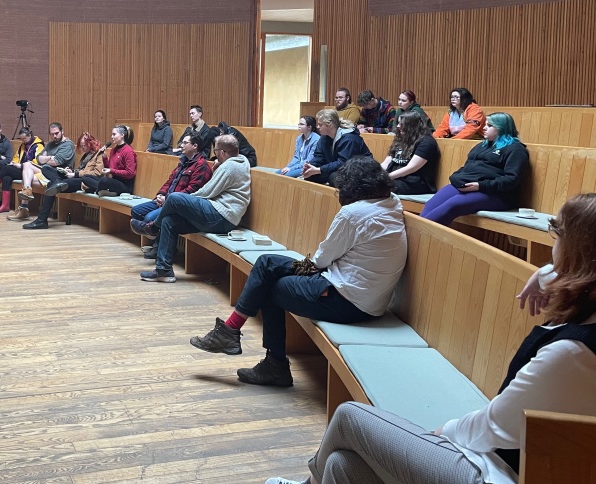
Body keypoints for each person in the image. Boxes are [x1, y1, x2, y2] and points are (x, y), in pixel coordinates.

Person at [264, 192, 596, 484]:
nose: (551, 241)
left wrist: (441, 433)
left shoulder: (573, 353)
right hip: (495, 459)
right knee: (342, 466)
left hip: (495, 473)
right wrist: (546, 272)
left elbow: (494, 428)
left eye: (556, 232)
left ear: (578, 251)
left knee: (351, 417)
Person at [190, 157, 406, 387]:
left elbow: (322, 260)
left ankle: (270, 362)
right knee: (266, 264)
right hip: (367, 300)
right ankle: (232, 334)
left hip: (345, 299)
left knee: (268, 284)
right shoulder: (392, 203)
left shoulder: (354, 214)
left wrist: (306, 268)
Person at [132, 134, 250, 283]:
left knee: (175, 198)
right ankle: (164, 271)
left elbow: (206, 192)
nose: (215, 155)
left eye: (216, 151)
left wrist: (184, 201)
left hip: (222, 216)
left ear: (222, 152)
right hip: (218, 213)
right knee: (169, 221)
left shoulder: (230, 166)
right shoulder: (241, 160)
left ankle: (154, 228)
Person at [421, 113, 529, 226]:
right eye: (485, 124)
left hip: (496, 194)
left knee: (453, 205)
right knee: (431, 204)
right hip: (467, 186)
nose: (484, 128)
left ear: (501, 128)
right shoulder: (482, 146)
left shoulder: (516, 149)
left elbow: (511, 179)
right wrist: (456, 178)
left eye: (490, 125)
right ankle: (421, 234)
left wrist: (480, 186)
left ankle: (422, 235)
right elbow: (467, 168)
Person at [129, 134, 212, 258]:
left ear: (195, 146)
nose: (181, 145)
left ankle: (159, 248)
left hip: (177, 205)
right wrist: (160, 195)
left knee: (149, 217)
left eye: (185, 143)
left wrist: (167, 199)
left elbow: (192, 191)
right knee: (136, 211)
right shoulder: (183, 162)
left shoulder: (202, 166)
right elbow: (169, 181)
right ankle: (157, 241)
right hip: (166, 199)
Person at [22, 132, 105, 230]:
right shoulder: (85, 155)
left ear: (90, 143)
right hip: (75, 177)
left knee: (50, 185)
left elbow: (97, 173)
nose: (82, 148)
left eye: (84, 146)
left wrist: (75, 174)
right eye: (81, 146)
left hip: (84, 182)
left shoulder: (98, 154)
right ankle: (57, 181)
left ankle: (41, 220)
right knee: (46, 168)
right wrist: (71, 171)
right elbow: (81, 169)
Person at [14, 122, 75, 221]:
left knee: (27, 165)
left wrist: (46, 158)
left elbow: (56, 162)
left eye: (57, 133)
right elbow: (38, 159)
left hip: (58, 175)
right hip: (45, 171)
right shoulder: (50, 145)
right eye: (52, 134)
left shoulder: (67, 145)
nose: (54, 136)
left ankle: (24, 207)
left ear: (62, 131)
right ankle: (24, 207)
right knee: (27, 177)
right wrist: (50, 157)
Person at [0, 127, 43, 215]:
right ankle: (5, 205)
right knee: (6, 177)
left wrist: (21, 165)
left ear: (30, 136)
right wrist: (14, 163)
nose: (23, 141)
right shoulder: (22, 146)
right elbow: (16, 158)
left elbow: (37, 162)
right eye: (21, 139)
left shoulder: (38, 146)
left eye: (24, 138)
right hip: (21, 170)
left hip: (31, 173)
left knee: (6, 169)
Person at [302, 109, 371, 186]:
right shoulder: (324, 137)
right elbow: (319, 156)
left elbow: (343, 162)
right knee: (310, 176)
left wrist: (320, 169)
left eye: (320, 125)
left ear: (330, 125)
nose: (318, 127)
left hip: (359, 170)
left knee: (334, 177)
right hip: (339, 169)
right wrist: (310, 166)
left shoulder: (349, 138)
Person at [381, 111, 441, 195]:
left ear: (411, 125)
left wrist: (387, 177)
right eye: (398, 123)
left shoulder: (426, 142)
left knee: (378, 187)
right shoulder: (400, 138)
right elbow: (387, 161)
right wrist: (376, 173)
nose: (398, 126)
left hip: (414, 182)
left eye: (401, 124)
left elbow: (412, 168)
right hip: (395, 178)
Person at [81, 125, 137, 196]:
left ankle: (98, 190)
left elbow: (130, 173)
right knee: (85, 177)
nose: (111, 137)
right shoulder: (113, 150)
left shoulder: (128, 151)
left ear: (122, 135)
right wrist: (104, 158)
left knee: (104, 181)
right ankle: (100, 190)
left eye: (114, 134)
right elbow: (110, 167)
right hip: (113, 180)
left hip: (124, 184)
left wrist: (111, 171)